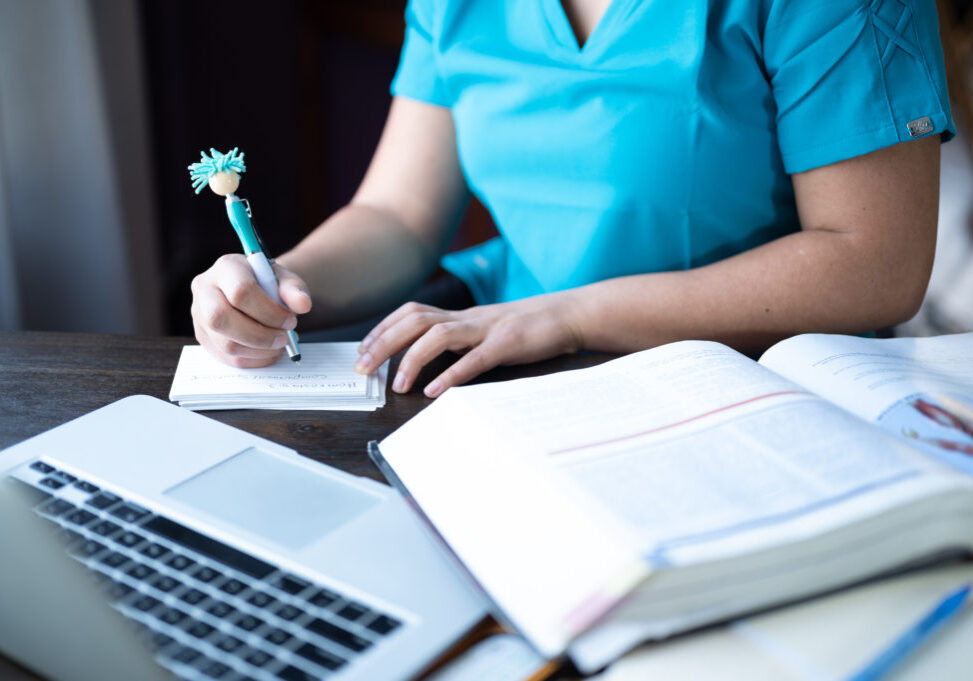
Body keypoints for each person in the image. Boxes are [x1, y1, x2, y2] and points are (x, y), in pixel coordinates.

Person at [190, 0, 954, 398]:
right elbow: (396, 216)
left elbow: (875, 262)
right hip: (504, 377)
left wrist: (568, 315)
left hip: (753, 382)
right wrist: (275, 284)